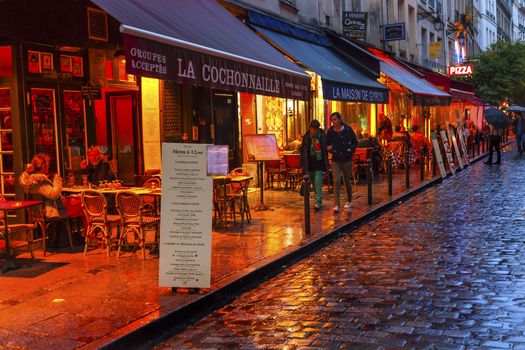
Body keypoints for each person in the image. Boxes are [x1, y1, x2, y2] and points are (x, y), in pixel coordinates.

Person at [326, 112, 358, 212]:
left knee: (347, 181)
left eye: (335, 119)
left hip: (346, 159)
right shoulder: (330, 131)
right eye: (332, 120)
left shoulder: (347, 130)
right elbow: (327, 144)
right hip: (335, 159)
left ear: (340, 119)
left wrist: (350, 150)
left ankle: (349, 200)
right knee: (336, 181)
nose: (333, 122)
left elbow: (355, 141)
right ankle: (337, 204)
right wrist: (329, 148)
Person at [19, 153, 66, 219]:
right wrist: (57, 180)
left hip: (37, 212)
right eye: (47, 165)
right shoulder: (40, 181)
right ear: (44, 166)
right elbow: (54, 194)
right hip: (48, 214)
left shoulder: (31, 180)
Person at [301, 120, 328, 210]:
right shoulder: (306, 137)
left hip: (319, 162)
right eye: (313, 129)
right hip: (310, 163)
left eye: (316, 129)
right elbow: (303, 151)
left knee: (318, 182)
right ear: (310, 128)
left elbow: (325, 149)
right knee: (313, 182)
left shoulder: (322, 136)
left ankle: (318, 201)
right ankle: (317, 199)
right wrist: (303, 165)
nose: (314, 131)